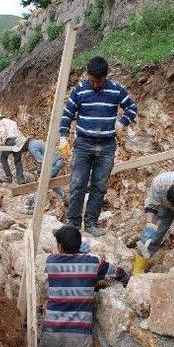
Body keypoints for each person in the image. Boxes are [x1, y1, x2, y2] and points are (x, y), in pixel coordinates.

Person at [39, 225, 129, 347]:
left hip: (53, 333)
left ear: (60, 246)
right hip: (79, 337)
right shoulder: (93, 263)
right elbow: (119, 273)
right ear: (80, 245)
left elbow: (60, 267)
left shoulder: (52, 262)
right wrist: (128, 280)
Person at [59, 56, 138, 236]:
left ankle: (91, 222)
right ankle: (73, 222)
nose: (95, 85)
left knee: (99, 186)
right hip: (83, 144)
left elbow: (132, 108)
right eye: (92, 80)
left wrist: (121, 123)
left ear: (106, 77)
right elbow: (67, 115)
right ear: (88, 75)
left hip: (106, 146)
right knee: (77, 183)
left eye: (99, 81)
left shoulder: (116, 89)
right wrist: (63, 136)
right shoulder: (79, 90)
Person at [22, 137, 67, 214]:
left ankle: (34, 207)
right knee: (53, 183)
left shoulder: (32, 148)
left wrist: (42, 175)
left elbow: (44, 161)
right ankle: (65, 199)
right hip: (57, 161)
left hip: (54, 163)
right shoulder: (35, 142)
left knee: (41, 184)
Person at [0, 114, 25, 184]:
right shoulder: (13, 122)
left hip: (11, 140)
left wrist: (2, 142)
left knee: (3, 158)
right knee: (17, 160)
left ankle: (8, 177)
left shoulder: (1, 121)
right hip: (19, 140)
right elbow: (18, 132)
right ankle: (21, 179)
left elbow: (2, 132)